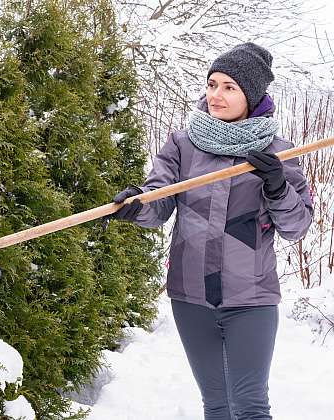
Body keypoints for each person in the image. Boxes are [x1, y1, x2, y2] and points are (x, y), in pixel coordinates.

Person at [110, 43, 314, 420]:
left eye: (229, 87)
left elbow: (297, 226)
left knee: (250, 407)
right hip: (190, 296)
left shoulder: (278, 153)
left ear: (251, 96)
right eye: (212, 84)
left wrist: (277, 187)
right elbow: (160, 199)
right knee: (217, 406)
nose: (216, 95)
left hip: (251, 297)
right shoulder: (183, 144)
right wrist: (137, 203)